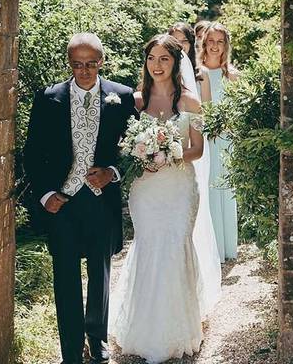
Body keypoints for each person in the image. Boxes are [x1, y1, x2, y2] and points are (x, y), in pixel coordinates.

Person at [23, 33, 137, 364]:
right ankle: (71, 350)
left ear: (101, 62)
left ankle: (97, 340)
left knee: (100, 273)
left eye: (90, 64)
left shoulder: (122, 96)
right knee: (65, 276)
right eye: (77, 64)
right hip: (63, 200)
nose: (84, 71)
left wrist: (112, 172)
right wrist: (45, 195)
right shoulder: (48, 97)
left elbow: (132, 150)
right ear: (69, 64)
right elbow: (33, 154)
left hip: (100, 200)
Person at [110, 34, 222, 363]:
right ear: (145, 62)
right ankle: (143, 328)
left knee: (175, 246)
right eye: (151, 58)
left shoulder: (190, 101)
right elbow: (122, 144)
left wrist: (168, 155)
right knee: (148, 245)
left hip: (179, 188)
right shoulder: (136, 101)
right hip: (146, 189)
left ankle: (178, 330)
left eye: (164, 59)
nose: (157, 65)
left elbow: (199, 149)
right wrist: (141, 155)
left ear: (176, 63)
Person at [196, 22, 240, 262]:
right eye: (210, 41)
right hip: (204, 138)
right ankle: (209, 249)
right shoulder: (196, 73)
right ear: (204, 43)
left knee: (225, 190)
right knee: (207, 189)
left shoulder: (232, 76)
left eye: (219, 42)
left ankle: (226, 248)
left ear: (226, 46)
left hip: (226, 139)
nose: (214, 46)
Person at [168, 21, 199, 96]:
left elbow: (206, 106)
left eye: (184, 41)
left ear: (191, 44)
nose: (180, 45)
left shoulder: (201, 73)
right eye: (175, 40)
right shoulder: (161, 69)